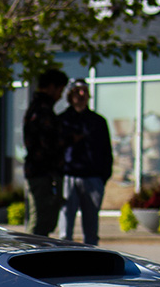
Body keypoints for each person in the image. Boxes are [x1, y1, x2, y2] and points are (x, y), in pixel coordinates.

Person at [57, 79, 111, 245]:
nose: (81, 95)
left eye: (84, 92)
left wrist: (103, 177)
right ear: (70, 95)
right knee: (65, 230)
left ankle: (91, 265)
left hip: (93, 178)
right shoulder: (62, 120)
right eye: (77, 91)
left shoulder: (98, 121)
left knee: (91, 230)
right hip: (68, 177)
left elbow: (107, 151)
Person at [22, 68, 68, 237]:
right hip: (41, 173)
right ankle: (31, 256)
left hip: (40, 172)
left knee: (42, 221)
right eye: (60, 90)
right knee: (40, 221)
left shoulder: (38, 108)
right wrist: (69, 139)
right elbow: (48, 144)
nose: (60, 96)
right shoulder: (41, 111)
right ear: (51, 87)